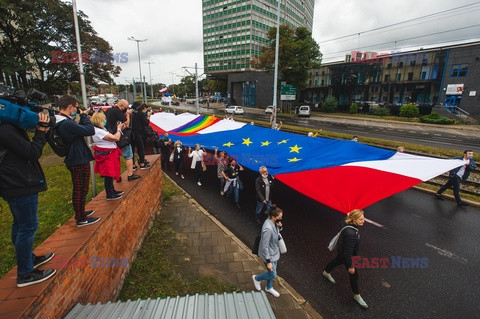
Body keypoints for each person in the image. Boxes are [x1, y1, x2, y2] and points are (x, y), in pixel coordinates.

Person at [0, 113, 57, 287]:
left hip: (14, 182)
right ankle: (25, 273)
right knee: (27, 227)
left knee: (20, 225)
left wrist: (43, 131)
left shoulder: (7, 129)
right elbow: (32, 153)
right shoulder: (5, 130)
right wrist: (40, 131)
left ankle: (28, 258)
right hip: (19, 184)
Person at [56, 95, 100, 227]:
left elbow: (78, 131)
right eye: (76, 106)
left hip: (77, 157)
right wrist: (84, 116)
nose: (77, 109)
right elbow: (89, 130)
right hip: (77, 159)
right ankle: (80, 218)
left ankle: (82, 212)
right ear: (70, 107)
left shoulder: (65, 121)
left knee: (82, 188)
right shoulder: (66, 123)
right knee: (80, 189)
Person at [322, 209, 368, 308]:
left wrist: (348, 215)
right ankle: (357, 296)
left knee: (337, 261)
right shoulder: (351, 234)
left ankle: (326, 272)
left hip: (341, 251)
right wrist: (351, 266)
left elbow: (342, 222)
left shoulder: (346, 224)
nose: (363, 221)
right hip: (348, 256)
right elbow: (348, 253)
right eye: (361, 219)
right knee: (354, 275)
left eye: (363, 219)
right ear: (354, 221)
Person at [91, 112, 124, 200]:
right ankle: (109, 194)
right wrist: (119, 129)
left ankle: (112, 190)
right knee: (108, 174)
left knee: (110, 173)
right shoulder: (98, 131)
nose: (105, 121)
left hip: (109, 152)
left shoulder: (101, 129)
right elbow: (116, 138)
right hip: (106, 154)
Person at [252, 205, 284, 298]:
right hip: (269, 254)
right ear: (273, 217)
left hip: (274, 252)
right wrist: (268, 262)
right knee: (273, 274)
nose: (281, 219)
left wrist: (280, 227)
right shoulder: (268, 229)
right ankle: (256, 278)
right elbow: (265, 246)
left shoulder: (273, 222)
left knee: (272, 273)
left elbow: (277, 233)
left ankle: (269, 287)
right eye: (279, 218)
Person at [106, 99, 140, 181]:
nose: (126, 109)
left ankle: (117, 177)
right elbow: (126, 123)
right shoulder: (118, 112)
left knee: (116, 158)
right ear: (121, 106)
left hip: (111, 136)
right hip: (121, 137)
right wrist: (128, 115)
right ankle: (130, 175)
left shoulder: (109, 110)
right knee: (128, 156)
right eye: (126, 108)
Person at [131, 104, 152, 169]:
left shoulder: (135, 114)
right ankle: (142, 164)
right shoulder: (141, 114)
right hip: (138, 133)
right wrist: (148, 116)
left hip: (132, 133)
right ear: (145, 108)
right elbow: (146, 123)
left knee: (132, 149)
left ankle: (133, 165)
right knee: (141, 148)